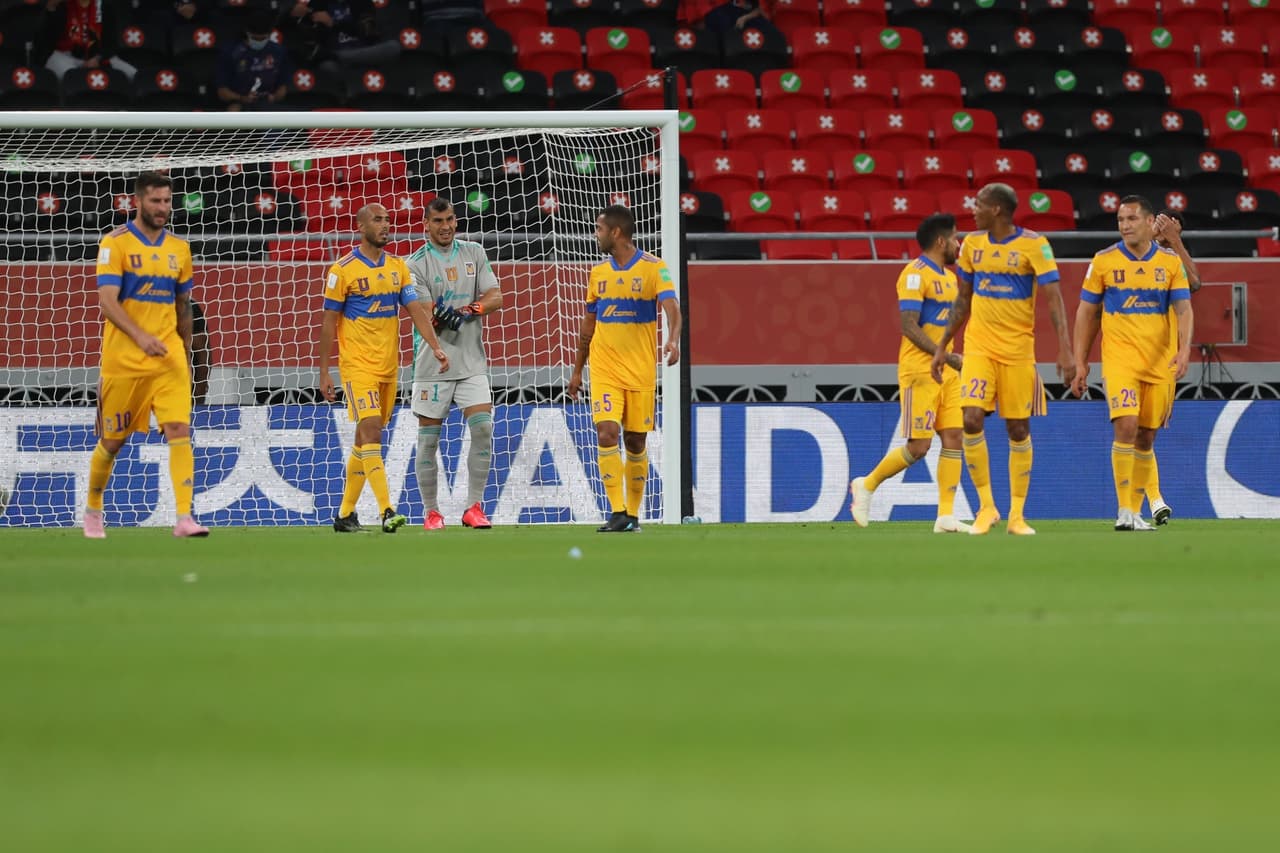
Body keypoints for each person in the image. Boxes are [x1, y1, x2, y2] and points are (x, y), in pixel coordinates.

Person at [929, 183, 1075, 536]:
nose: (973, 209)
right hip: (979, 348)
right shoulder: (972, 247)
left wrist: (1065, 349)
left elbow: (1054, 299)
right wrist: (942, 345)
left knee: (1018, 428)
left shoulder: (1035, 245)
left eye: (979, 204)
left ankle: (1017, 516)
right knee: (972, 418)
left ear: (997, 209)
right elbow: (962, 299)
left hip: (1018, 350)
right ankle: (986, 507)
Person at [83, 171, 208, 539]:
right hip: (124, 360)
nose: (163, 208)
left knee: (179, 430)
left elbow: (183, 306)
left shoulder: (179, 249)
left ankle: (185, 517)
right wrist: (140, 337)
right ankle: (93, 508)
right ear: (138, 201)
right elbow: (107, 302)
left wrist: (183, 352)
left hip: (167, 358)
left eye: (168, 201)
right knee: (112, 442)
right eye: (156, 201)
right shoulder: (114, 243)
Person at [317, 204, 449, 534]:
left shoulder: (397, 268)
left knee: (365, 442)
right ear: (361, 227)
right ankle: (386, 510)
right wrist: (323, 371)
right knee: (372, 429)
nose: (386, 225)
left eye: (388, 219)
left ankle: (345, 514)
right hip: (356, 367)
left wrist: (434, 346)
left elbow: (415, 309)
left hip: (388, 367)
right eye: (378, 220)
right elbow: (328, 323)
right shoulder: (341, 270)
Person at [1070, 195, 1193, 531]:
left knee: (1146, 438)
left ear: (1149, 221)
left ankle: (1137, 511)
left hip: (1160, 363)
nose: (1124, 226)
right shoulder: (1103, 261)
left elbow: (1184, 308)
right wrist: (1080, 361)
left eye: (1131, 219)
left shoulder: (1169, 263)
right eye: (1120, 220)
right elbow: (1086, 312)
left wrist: (1184, 351)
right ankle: (1125, 511)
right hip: (1120, 360)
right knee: (1125, 426)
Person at [851, 214, 971, 534]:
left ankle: (945, 515)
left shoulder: (948, 276)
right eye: (956, 238)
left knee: (954, 436)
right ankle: (867, 484)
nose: (959, 244)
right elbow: (908, 325)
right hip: (919, 370)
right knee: (919, 447)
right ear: (941, 241)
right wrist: (944, 355)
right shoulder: (915, 275)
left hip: (946, 370)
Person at [568, 205, 682, 533]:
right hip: (604, 368)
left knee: (635, 442)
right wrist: (578, 370)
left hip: (640, 370)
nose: (596, 234)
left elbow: (673, 310)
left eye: (599, 229)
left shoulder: (654, 268)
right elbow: (588, 325)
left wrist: (673, 340)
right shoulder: (598, 273)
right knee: (606, 433)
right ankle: (617, 511)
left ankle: (632, 515)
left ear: (616, 232)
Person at [406, 199, 504, 531]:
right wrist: (441, 313)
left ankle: (473, 507)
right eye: (438, 220)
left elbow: (496, 296)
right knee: (428, 441)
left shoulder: (474, 252)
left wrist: (470, 310)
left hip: (472, 362)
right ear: (426, 225)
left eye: (450, 219)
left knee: (483, 429)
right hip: (433, 364)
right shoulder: (415, 264)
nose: (445, 226)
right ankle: (432, 512)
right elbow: (424, 311)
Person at [1136, 208, 1201, 525]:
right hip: (1128, 355)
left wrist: (1173, 241)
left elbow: (1195, 283)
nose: (1161, 225)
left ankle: (1145, 502)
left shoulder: (1173, 263)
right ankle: (1152, 500)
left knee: (1147, 433)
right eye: (1156, 220)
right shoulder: (1130, 255)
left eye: (1169, 222)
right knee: (1132, 429)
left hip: (1163, 357)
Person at [278, 0, 399, 69]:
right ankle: (338, 57)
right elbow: (286, 27)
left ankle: (339, 56)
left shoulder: (363, 2)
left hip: (364, 52)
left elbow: (367, 31)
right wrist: (292, 14)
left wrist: (333, 23)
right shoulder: (317, 4)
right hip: (335, 58)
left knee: (393, 47)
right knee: (327, 66)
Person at [40, 0, 137, 82]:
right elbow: (46, 41)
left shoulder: (105, 6)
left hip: (98, 55)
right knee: (72, 78)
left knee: (133, 75)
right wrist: (51, 10)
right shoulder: (62, 5)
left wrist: (98, 57)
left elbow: (112, 44)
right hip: (66, 55)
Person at [214, 12, 289, 111]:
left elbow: (283, 86)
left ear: (270, 34)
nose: (259, 41)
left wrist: (275, 97)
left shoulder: (278, 51)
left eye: (263, 38)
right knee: (233, 111)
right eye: (255, 38)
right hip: (239, 102)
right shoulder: (231, 52)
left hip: (268, 103)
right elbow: (222, 91)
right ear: (247, 33)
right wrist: (241, 98)